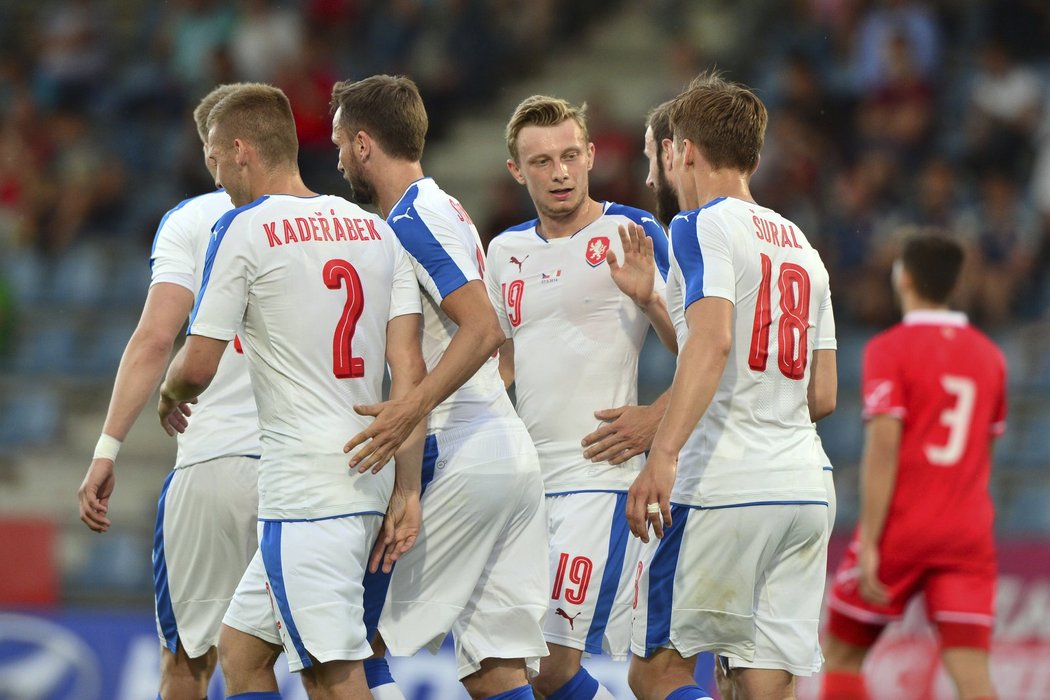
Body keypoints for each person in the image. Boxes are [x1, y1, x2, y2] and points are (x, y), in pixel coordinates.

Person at [157, 83, 426, 700]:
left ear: (243, 151)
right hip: (366, 468)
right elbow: (408, 371)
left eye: (217, 159)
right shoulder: (374, 230)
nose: (218, 176)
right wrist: (406, 485)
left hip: (305, 491)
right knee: (242, 651)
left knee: (331, 675)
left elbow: (196, 365)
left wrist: (169, 395)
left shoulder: (243, 229)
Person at [331, 74, 550, 700]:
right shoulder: (445, 206)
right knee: (495, 669)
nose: (338, 154)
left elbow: (484, 326)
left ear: (365, 144)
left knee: (356, 637)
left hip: (460, 452)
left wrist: (410, 410)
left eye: (343, 141)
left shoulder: (410, 218)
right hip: (509, 455)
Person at [626, 72, 836, 700]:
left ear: (683, 149)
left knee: (656, 673)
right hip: (805, 488)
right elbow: (822, 394)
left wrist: (661, 454)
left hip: (724, 485)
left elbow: (715, 341)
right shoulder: (804, 246)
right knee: (763, 682)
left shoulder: (700, 226)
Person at [486, 94, 675, 700]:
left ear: (593, 155)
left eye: (570, 155)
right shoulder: (503, 252)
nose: (560, 171)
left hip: (600, 478)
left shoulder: (632, 231)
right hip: (527, 486)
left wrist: (655, 416)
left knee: (549, 666)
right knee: (527, 668)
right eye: (541, 161)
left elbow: (703, 349)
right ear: (517, 170)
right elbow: (503, 361)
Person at [76, 82, 260, 700]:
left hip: (214, 462)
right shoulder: (345, 224)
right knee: (333, 666)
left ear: (219, 152)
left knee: (190, 662)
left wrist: (107, 448)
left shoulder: (194, 219)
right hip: (315, 471)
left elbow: (157, 339)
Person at [821, 233, 1005, 700]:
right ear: (956, 284)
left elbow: (884, 447)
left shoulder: (889, 348)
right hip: (967, 533)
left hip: (902, 528)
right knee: (972, 674)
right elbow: (985, 450)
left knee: (842, 655)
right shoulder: (991, 357)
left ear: (903, 277)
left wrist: (869, 541)